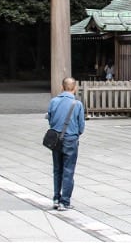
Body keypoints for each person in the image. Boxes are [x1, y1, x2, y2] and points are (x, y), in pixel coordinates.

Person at [46, 77, 85, 211]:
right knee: (68, 170)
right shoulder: (77, 104)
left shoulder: (53, 101)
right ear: (74, 88)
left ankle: (56, 198)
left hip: (56, 139)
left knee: (57, 169)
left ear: (62, 87)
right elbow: (81, 127)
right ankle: (65, 201)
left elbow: (50, 120)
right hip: (71, 139)